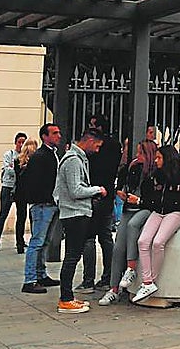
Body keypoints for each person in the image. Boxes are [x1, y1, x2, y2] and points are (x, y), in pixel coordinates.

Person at [53, 129, 108, 314]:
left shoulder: (76, 159)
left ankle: (67, 297)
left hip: (77, 213)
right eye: (98, 145)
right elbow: (75, 191)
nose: (98, 150)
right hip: (74, 214)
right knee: (72, 256)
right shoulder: (73, 161)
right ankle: (65, 299)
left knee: (73, 256)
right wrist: (96, 190)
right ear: (90, 140)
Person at [131, 146, 180, 303]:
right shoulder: (156, 176)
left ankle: (150, 280)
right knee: (143, 241)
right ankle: (148, 282)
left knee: (158, 242)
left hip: (176, 212)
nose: (156, 160)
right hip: (158, 211)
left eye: (159, 158)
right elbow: (149, 193)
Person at [101, 139, 158, 304]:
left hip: (144, 208)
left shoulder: (154, 171)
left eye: (141, 152)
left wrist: (139, 200)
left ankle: (131, 268)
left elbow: (154, 198)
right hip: (129, 207)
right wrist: (124, 193)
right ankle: (114, 289)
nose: (137, 156)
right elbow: (124, 183)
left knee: (133, 228)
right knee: (118, 247)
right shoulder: (133, 167)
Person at [19, 123, 62, 294]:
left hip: (49, 203)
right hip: (43, 204)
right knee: (37, 242)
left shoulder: (51, 154)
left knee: (44, 242)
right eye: (54, 133)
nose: (58, 136)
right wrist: (46, 198)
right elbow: (35, 181)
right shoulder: (41, 156)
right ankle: (30, 279)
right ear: (45, 136)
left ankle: (40, 274)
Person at [79, 122, 122, 293]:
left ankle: (88, 280)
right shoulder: (115, 146)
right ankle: (108, 278)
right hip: (108, 194)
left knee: (89, 238)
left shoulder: (90, 153)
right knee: (105, 236)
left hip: (94, 194)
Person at [0, 133, 27, 253]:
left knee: (21, 215)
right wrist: (18, 169)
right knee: (3, 213)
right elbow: (8, 169)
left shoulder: (25, 156)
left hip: (20, 188)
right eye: (19, 142)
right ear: (15, 142)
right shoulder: (9, 154)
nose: (21, 145)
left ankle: (20, 241)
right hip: (8, 186)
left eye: (23, 142)